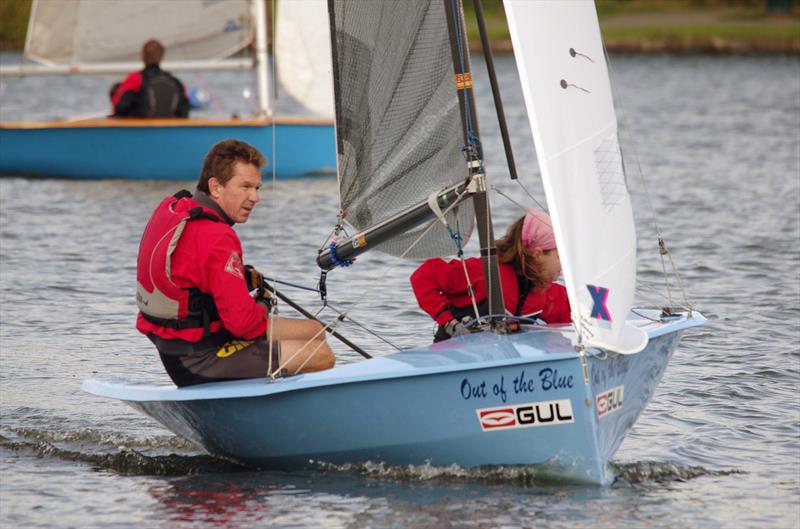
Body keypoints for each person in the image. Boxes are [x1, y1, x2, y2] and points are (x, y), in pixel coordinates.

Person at [136, 139, 335, 386]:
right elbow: (244, 325)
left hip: (173, 351)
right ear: (216, 187)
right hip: (199, 361)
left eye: (257, 188)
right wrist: (263, 304)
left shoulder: (176, 209)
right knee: (320, 354)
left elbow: (190, 274)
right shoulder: (218, 237)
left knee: (316, 330)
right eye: (245, 187)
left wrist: (240, 276)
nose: (255, 197)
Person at [410, 209, 571, 342]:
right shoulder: (485, 273)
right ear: (538, 254)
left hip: (497, 368)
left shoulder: (547, 293)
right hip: (450, 361)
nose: (565, 264)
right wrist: (448, 322)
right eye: (560, 255)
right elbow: (423, 276)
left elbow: (583, 310)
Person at [111, 39, 190, 118]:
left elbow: (120, 107)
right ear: (162, 56)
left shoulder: (134, 79)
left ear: (142, 55)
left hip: (141, 129)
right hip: (170, 129)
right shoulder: (176, 82)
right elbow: (184, 111)